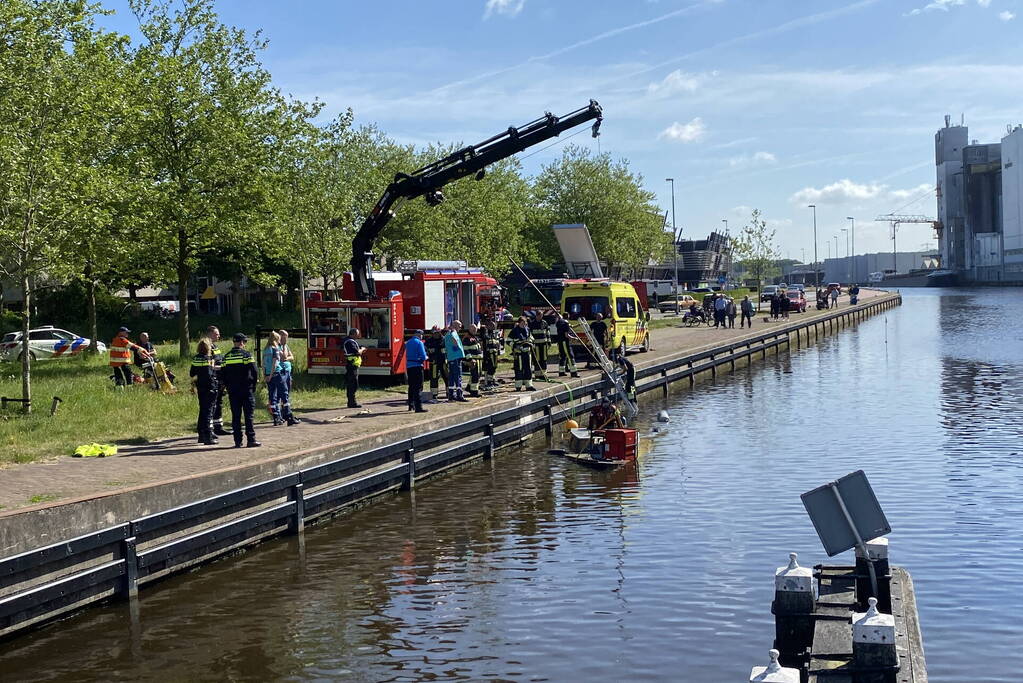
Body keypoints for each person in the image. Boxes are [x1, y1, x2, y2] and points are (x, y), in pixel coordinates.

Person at [220, 333, 260, 448]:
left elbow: (222, 374)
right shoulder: (246, 355)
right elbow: (254, 371)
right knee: (249, 416)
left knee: (236, 416)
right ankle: (251, 440)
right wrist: (253, 385)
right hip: (246, 390)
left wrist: (227, 386)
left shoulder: (226, 357)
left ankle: (238, 441)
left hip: (233, 391)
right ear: (242, 342)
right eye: (245, 342)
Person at [263, 331, 297, 426]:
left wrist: (265, 375)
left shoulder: (265, 349)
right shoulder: (275, 349)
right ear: (276, 339)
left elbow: (263, 364)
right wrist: (271, 374)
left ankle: (276, 418)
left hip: (268, 375)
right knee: (284, 394)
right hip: (277, 374)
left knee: (272, 396)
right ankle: (289, 417)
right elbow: (275, 363)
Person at [190, 338, 219, 445]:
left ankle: (201, 435)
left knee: (203, 410)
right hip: (209, 388)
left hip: (201, 388)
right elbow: (209, 374)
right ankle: (208, 437)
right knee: (208, 412)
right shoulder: (207, 359)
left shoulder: (196, 358)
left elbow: (192, 373)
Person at [207, 326, 231, 437]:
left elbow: (218, 359)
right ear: (210, 334)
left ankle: (218, 426)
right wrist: (221, 368)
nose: (219, 336)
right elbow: (209, 366)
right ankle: (210, 429)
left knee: (218, 403)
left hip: (219, 379)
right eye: (216, 334)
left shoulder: (215, 346)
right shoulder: (207, 347)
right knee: (212, 404)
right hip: (213, 379)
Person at [509, 316, 536, 391]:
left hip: (527, 353)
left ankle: (529, 385)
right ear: (519, 322)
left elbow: (531, 338)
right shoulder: (514, 331)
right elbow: (508, 341)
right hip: (519, 354)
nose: (524, 324)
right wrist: (515, 346)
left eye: (525, 323)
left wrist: (531, 343)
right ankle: (518, 386)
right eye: (523, 323)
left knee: (528, 369)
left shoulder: (527, 330)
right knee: (519, 369)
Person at [405, 329, 428, 413]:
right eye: (422, 335)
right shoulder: (419, 343)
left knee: (411, 386)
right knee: (418, 387)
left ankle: (411, 405)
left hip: (409, 366)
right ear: (419, 335)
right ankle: (418, 407)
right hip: (417, 366)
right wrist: (427, 357)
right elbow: (423, 356)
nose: (422, 336)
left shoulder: (408, 342)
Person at [444, 320, 467, 402]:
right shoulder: (452, 333)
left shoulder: (448, 333)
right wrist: (457, 348)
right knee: (458, 377)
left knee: (452, 377)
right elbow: (454, 341)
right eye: (460, 326)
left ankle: (451, 395)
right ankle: (459, 395)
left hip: (451, 357)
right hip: (455, 357)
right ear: (456, 325)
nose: (460, 328)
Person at [424, 326, 448, 403]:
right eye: (434, 333)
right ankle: (434, 395)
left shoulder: (444, 340)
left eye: (437, 332)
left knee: (447, 377)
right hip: (434, 363)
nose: (435, 334)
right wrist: (429, 359)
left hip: (444, 362)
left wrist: (448, 359)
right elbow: (425, 351)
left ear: (440, 332)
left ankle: (449, 392)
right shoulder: (429, 341)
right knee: (433, 378)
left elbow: (449, 350)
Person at [342, 328, 364, 409]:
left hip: (353, 365)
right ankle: (352, 403)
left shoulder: (349, 341)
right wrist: (362, 349)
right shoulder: (349, 342)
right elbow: (357, 353)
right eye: (357, 334)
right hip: (352, 366)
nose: (358, 336)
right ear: (353, 334)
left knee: (352, 384)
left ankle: (351, 402)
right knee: (353, 385)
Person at [462, 324, 485, 398]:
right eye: (474, 329)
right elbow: (465, 350)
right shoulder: (467, 338)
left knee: (477, 374)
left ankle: (469, 388)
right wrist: (470, 359)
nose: (475, 331)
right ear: (470, 329)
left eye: (476, 329)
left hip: (478, 359)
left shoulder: (475, 337)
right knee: (475, 376)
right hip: (473, 360)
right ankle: (474, 392)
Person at [528, 312, 551, 381]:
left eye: (541, 316)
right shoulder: (532, 324)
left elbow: (548, 332)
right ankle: (537, 375)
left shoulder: (544, 323)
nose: (540, 317)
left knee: (544, 359)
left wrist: (549, 342)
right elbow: (530, 334)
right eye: (539, 316)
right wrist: (532, 343)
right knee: (537, 360)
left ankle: (543, 374)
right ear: (536, 316)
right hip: (536, 345)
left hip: (544, 344)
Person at [482, 320, 503, 389]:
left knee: (494, 367)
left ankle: (492, 380)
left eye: (494, 326)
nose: (494, 327)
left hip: (495, 354)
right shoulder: (485, 333)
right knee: (489, 368)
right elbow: (485, 340)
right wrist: (484, 329)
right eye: (492, 326)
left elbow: (497, 343)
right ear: (488, 326)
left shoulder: (494, 334)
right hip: (488, 354)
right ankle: (488, 381)